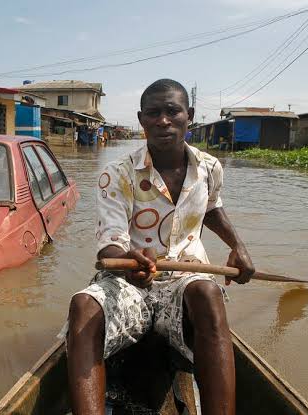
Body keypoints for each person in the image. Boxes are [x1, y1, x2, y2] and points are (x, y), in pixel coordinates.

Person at [66, 79, 255, 415]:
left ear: (189, 115)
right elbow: (109, 248)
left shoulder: (209, 168)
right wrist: (130, 261)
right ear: (142, 120)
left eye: (172, 111)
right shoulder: (117, 174)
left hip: (185, 282)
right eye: (153, 113)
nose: (163, 120)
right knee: (82, 306)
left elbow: (210, 207)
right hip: (130, 285)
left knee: (209, 296)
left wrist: (238, 246)